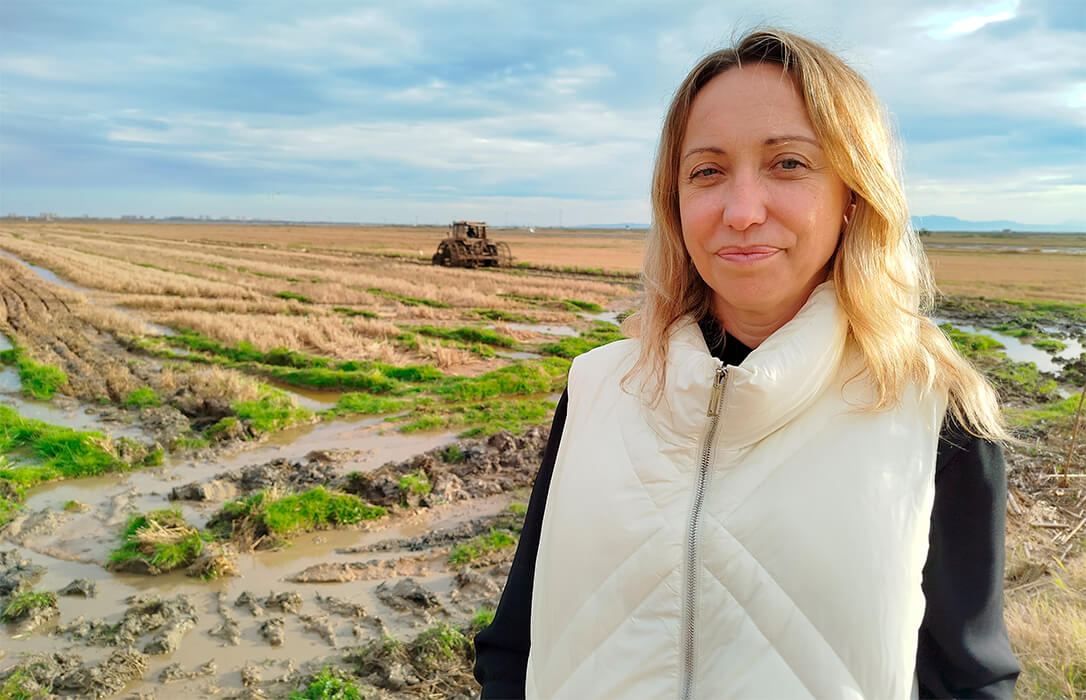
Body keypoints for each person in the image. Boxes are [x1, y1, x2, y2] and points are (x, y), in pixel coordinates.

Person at [474, 28, 1020, 699]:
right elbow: (513, 648)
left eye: (788, 163)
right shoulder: (596, 387)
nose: (740, 211)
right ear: (674, 204)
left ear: (853, 194)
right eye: (707, 171)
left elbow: (969, 682)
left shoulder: (937, 414)